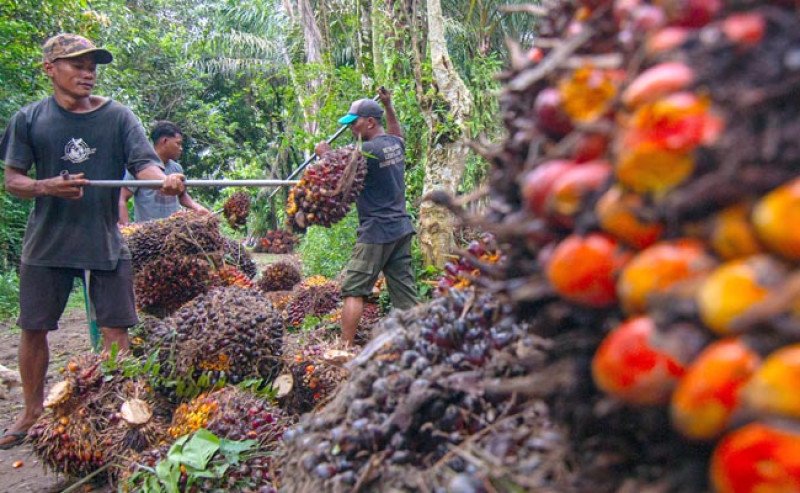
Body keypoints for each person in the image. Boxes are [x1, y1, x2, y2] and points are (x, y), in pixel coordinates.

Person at [0, 33, 185, 449]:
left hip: (103, 237)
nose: (88, 74)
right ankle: (31, 411)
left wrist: (164, 181)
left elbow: (145, 165)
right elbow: (13, 180)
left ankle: (117, 411)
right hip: (48, 241)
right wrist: (45, 186)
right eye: (78, 65)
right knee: (33, 328)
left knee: (115, 329)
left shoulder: (118, 117)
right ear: (50, 69)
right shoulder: (29, 119)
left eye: (92, 67)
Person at [315, 88, 417, 346]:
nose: (351, 128)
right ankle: (420, 345)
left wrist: (325, 155)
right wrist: (389, 105)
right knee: (405, 296)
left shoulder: (366, 152)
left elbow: (340, 177)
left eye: (354, 122)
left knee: (354, 289)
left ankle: (344, 348)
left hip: (376, 232)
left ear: (370, 122)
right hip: (401, 229)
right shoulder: (394, 145)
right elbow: (396, 132)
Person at [118, 121, 208, 224]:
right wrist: (126, 228)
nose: (181, 148)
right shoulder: (139, 168)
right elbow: (121, 198)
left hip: (173, 229)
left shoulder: (176, 168)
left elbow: (182, 195)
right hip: (147, 230)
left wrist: (197, 207)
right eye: (178, 143)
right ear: (165, 141)